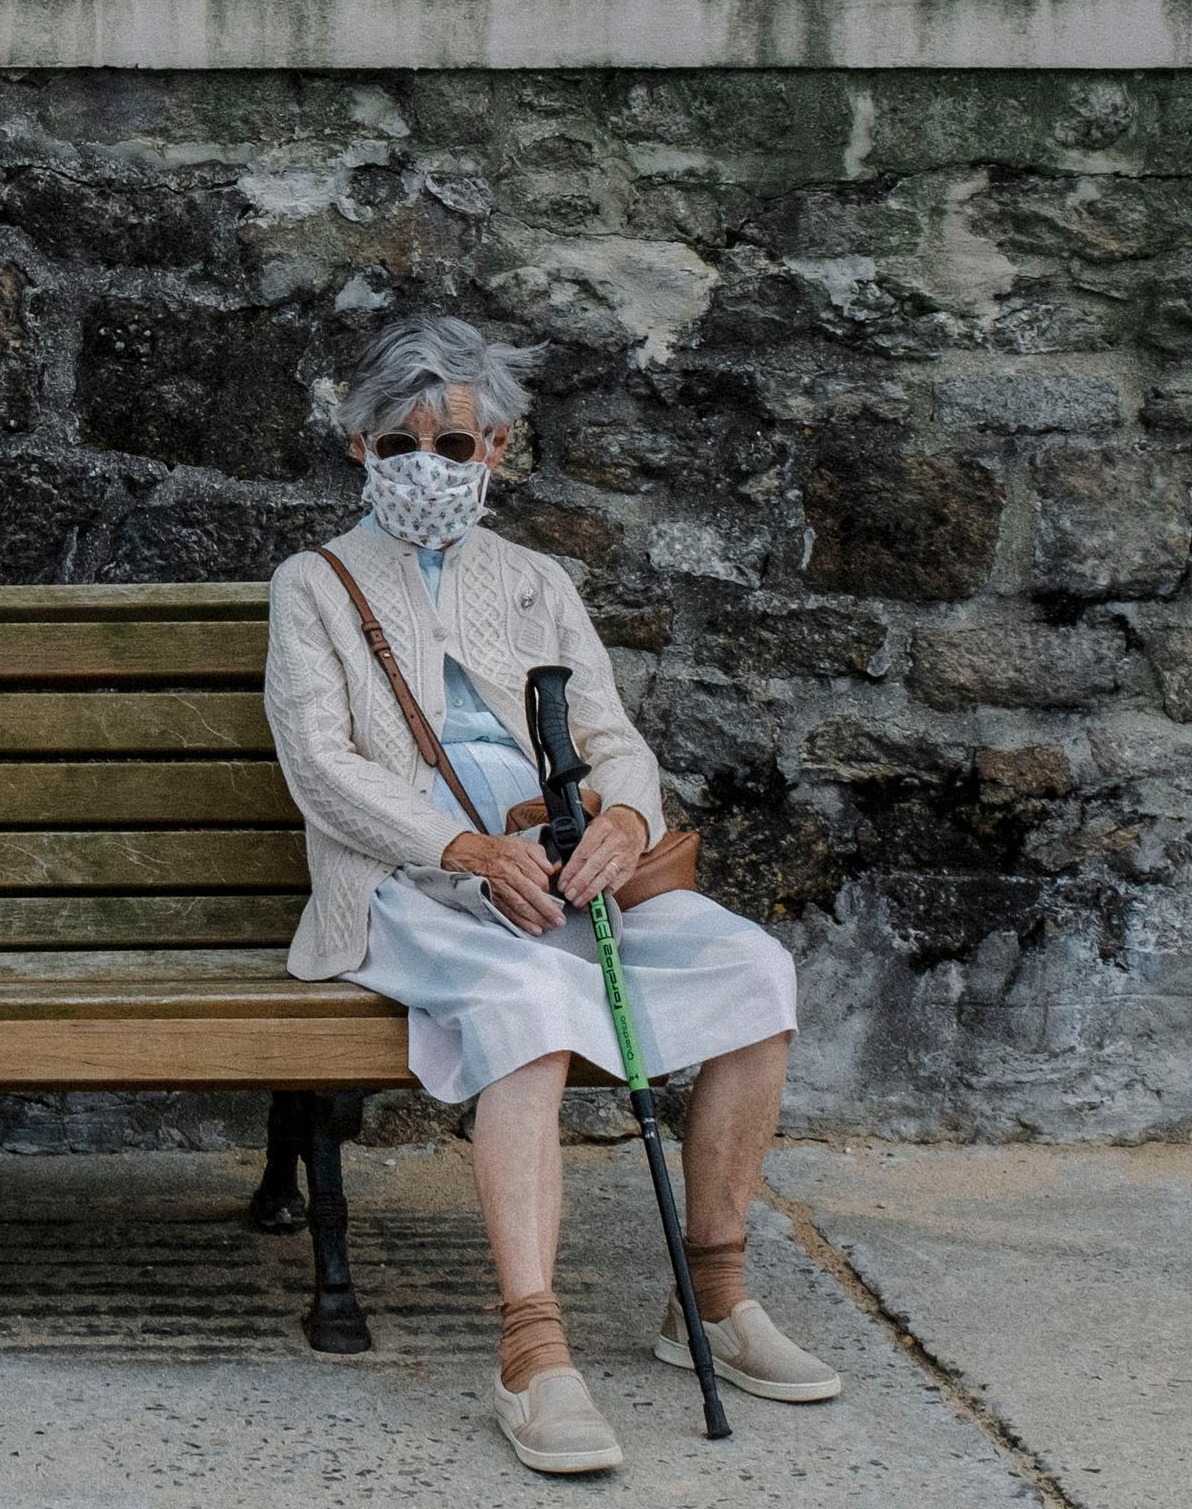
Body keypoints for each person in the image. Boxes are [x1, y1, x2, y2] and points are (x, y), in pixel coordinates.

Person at [260, 311, 838, 1477]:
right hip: (406, 886)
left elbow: (617, 741)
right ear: (358, 450)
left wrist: (624, 820)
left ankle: (712, 1294)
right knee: (523, 1005)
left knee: (752, 969)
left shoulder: (536, 583)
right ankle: (533, 1348)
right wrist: (461, 851)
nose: (431, 468)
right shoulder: (312, 585)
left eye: (458, 446)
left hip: (563, 871)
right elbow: (320, 766)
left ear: (503, 452)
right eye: (401, 443)